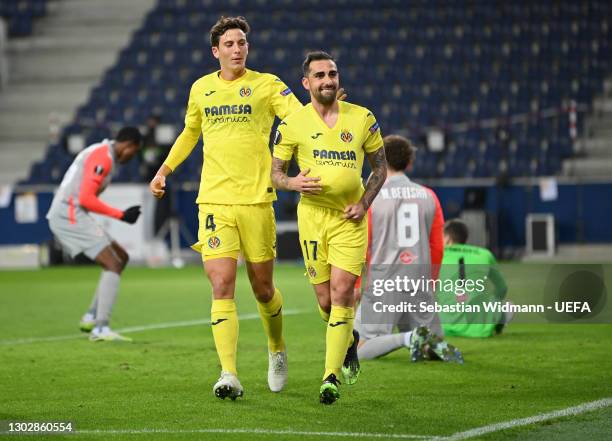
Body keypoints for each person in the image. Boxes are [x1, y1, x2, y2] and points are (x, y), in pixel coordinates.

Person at [149, 16, 331, 400]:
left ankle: (277, 348)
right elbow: (190, 133)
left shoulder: (267, 85)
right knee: (221, 284)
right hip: (214, 199)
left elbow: (298, 118)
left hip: (256, 199)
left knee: (263, 290)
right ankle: (228, 373)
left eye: (242, 43)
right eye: (229, 44)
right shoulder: (201, 89)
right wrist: (164, 170)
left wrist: (323, 109)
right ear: (216, 52)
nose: (237, 49)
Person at [271, 51, 387, 405]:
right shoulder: (292, 124)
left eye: (332, 74)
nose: (327, 80)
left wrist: (364, 204)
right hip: (312, 219)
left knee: (341, 294)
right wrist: (293, 184)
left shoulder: (363, 117)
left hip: (349, 220)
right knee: (325, 302)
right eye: (319, 75)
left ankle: (329, 377)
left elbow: (379, 168)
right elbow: (275, 174)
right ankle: (348, 338)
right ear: (306, 83)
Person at [354, 135, 463, 363]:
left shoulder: (371, 197)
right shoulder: (429, 196)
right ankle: (425, 341)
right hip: (419, 279)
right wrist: (431, 282)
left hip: (385, 282)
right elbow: (437, 247)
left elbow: (361, 245)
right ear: (410, 163)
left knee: (358, 347)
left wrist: (356, 285)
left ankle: (407, 338)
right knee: (431, 344)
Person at [46, 127, 143, 342]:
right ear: (127, 145)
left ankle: (90, 316)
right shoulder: (104, 157)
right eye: (133, 152)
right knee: (112, 264)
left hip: (74, 212)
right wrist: (121, 215)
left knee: (121, 257)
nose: (132, 156)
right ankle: (100, 328)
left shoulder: (103, 153)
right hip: (68, 214)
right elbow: (86, 199)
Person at [436, 219, 510, 337]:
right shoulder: (484, 254)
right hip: (479, 330)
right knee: (498, 303)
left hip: (442, 327)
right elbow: (502, 288)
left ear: (448, 238)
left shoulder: (436, 254)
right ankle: (498, 321)